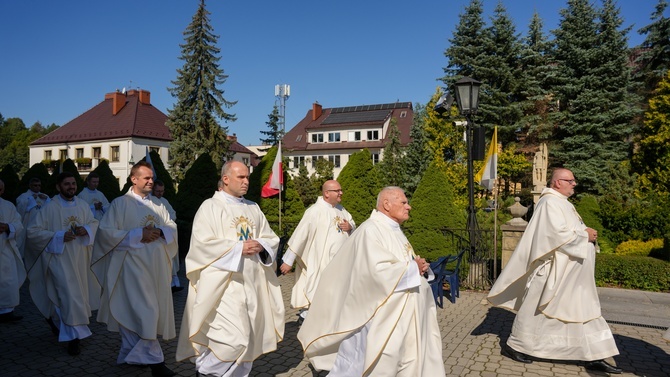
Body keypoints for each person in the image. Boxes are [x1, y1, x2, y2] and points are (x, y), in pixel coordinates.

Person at [297, 186, 445, 376]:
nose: (409, 207)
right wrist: (411, 268)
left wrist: (419, 268)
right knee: (379, 360)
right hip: (381, 314)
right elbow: (374, 272)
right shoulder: (371, 230)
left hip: (403, 313)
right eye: (404, 202)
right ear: (386, 204)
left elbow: (398, 262)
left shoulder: (392, 228)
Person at [487, 168, 622, 374]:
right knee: (537, 311)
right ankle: (516, 346)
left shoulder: (562, 203)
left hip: (573, 274)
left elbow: (568, 230)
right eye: (570, 180)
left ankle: (593, 355)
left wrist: (586, 235)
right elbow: (555, 235)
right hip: (555, 271)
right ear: (558, 182)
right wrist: (585, 235)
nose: (574, 184)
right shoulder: (549, 203)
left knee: (585, 311)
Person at [176, 160, 284, 377]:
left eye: (247, 177)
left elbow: (270, 237)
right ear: (225, 179)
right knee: (233, 340)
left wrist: (261, 245)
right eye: (240, 177)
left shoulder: (252, 207)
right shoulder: (210, 207)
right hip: (224, 286)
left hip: (252, 284)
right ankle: (206, 372)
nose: (246, 182)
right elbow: (201, 245)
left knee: (249, 340)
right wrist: (237, 248)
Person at [91, 161, 178, 377]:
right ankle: (157, 365)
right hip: (130, 268)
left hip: (156, 269)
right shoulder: (120, 204)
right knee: (145, 312)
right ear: (134, 179)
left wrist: (159, 231)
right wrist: (138, 235)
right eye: (146, 178)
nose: (150, 181)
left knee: (141, 312)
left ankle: (131, 354)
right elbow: (105, 232)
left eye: (151, 178)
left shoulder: (158, 205)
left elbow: (172, 227)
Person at [25, 172, 98, 356]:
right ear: (58, 187)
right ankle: (74, 338)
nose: (71, 187)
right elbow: (32, 232)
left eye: (73, 183)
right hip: (59, 260)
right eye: (67, 184)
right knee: (68, 297)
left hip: (80, 259)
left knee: (77, 297)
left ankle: (67, 330)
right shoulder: (50, 208)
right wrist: (58, 236)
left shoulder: (82, 205)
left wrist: (86, 229)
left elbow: (95, 223)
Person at [279, 180, 355, 322]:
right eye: (337, 191)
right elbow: (300, 235)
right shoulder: (315, 211)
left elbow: (352, 223)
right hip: (321, 260)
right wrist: (288, 260)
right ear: (327, 193)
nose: (341, 193)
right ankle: (308, 318)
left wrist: (350, 227)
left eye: (340, 190)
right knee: (318, 290)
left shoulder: (341, 209)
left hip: (340, 262)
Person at [0, 179, 26, 323]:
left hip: (5, 249)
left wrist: (7, 227)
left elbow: (18, 224)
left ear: (2, 191)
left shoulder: (8, 206)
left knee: (8, 280)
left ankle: (7, 311)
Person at [152, 180, 182, 294]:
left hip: (165, 235)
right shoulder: (150, 202)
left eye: (162, 191)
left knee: (171, 260)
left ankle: (173, 283)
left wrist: (164, 224)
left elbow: (172, 215)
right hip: (154, 237)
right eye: (158, 191)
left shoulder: (164, 201)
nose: (160, 193)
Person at [16, 177, 50, 256]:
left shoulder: (44, 196)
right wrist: (30, 199)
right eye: (35, 185)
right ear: (30, 186)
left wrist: (47, 199)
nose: (37, 187)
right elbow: (20, 208)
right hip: (28, 224)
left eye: (39, 185)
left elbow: (50, 209)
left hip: (41, 225)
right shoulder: (24, 196)